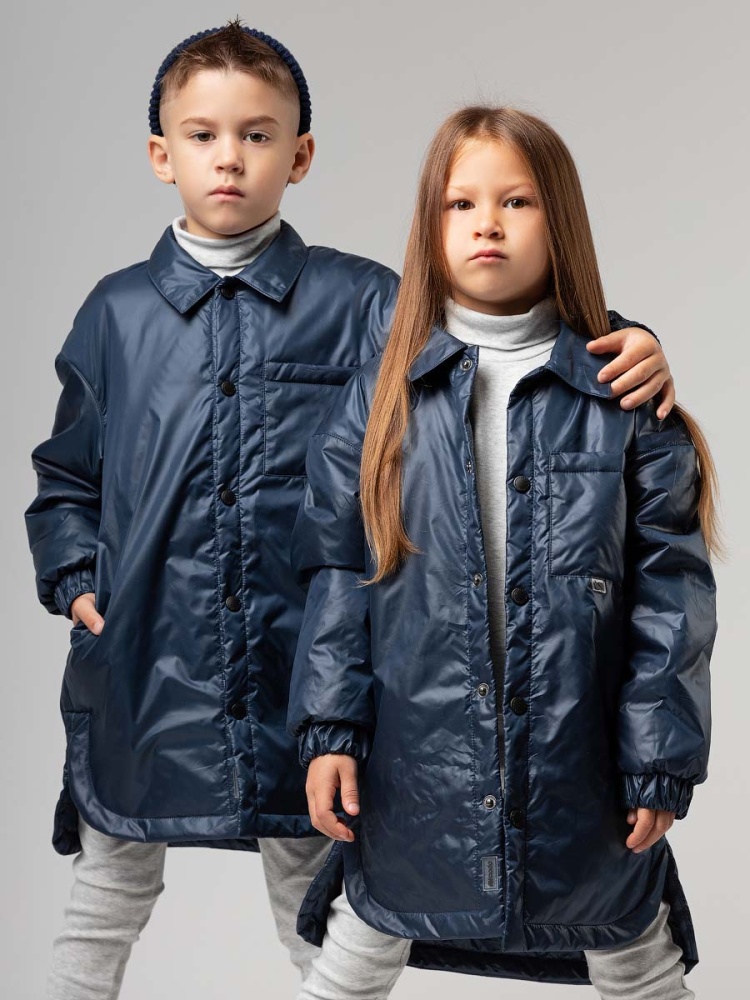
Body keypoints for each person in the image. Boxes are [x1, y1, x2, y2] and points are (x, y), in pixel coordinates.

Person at [24, 18, 673, 997]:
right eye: (203, 135)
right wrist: (79, 579)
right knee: (105, 896)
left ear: (300, 155)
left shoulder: (366, 302)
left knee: (323, 912)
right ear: (161, 155)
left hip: (307, 674)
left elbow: (500, 334)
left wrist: (632, 343)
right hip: (145, 670)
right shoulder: (113, 313)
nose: (229, 157)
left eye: (257, 134)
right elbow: (68, 475)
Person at [287, 105, 719, 999]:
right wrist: (329, 730)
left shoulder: (621, 393)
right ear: (430, 225)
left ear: (560, 222)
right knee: (356, 952)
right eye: (461, 203)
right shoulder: (382, 394)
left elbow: (670, 596)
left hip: (579, 767)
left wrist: (658, 757)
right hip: (415, 766)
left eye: (516, 201)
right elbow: (337, 572)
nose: (487, 222)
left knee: (634, 954)